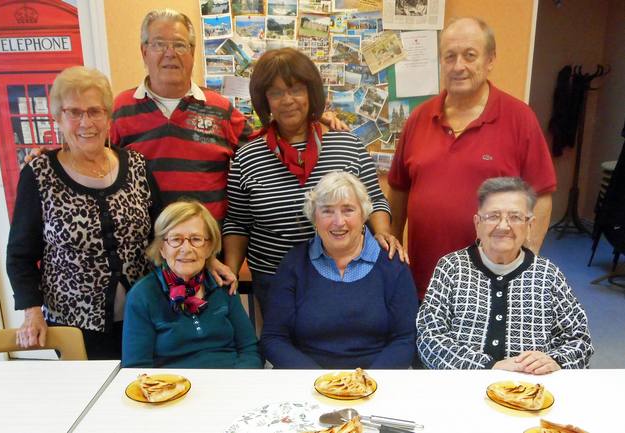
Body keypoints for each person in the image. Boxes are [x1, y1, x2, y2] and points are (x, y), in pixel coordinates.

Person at [111, 8, 346, 219]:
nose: (170, 53)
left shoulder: (220, 108)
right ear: (144, 52)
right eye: (159, 44)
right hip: (144, 247)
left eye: (180, 45)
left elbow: (267, 143)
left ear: (192, 52)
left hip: (209, 247)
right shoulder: (119, 109)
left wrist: (312, 120)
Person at [222, 48, 406, 314]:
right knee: (282, 348)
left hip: (345, 273)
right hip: (274, 279)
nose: (287, 100)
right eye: (275, 92)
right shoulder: (247, 156)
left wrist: (382, 233)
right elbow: (237, 221)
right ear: (265, 100)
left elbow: (375, 200)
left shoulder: (348, 144)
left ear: (311, 93)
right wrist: (232, 273)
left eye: (295, 89)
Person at [388, 17, 557, 300]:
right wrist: (392, 251)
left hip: (494, 285)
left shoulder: (519, 118)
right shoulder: (419, 117)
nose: (458, 66)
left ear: (490, 59)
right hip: (424, 282)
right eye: (449, 57)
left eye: (470, 55)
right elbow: (399, 188)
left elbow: (541, 195)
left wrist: (526, 260)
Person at [7, 66, 161, 359]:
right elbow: (19, 254)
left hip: (143, 313)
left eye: (94, 111)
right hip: (74, 322)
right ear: (58, 118)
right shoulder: (39, 173)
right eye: (73, 112)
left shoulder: (137, 166)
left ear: (108, 116)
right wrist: (31, 311)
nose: (85, 122)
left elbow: (163, 233)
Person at [417, 177, 593, 373]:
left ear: (529, 225)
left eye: (515, 217)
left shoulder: (547, 275)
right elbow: (428, 338)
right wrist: (490, 367)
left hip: (529, 390)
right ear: (478, 223)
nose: (503, 226)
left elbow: (580, 341)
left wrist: (555, 361)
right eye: (493, 216)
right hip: (463, 387)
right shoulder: (451, 268)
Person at [261, 171, 418, 369]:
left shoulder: (392, 264)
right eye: (327, 211)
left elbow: (405, 339)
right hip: (306, 382)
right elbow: (274, 338)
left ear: (363, 214)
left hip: (377, 383)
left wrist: (363, 383)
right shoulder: (294, 264)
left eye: (348, 210)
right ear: (314, 218)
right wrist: (322, 381)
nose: (338, 221)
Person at [122, 201, 262, 368]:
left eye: (196, 239)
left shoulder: (223, 284)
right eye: (176, 239)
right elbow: (136, 367)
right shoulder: (142, 295)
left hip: (230, 383)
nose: (186, 248)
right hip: (174, 389)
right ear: (162, 248)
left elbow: (249, 349)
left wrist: (237, 384)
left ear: (209, 247)